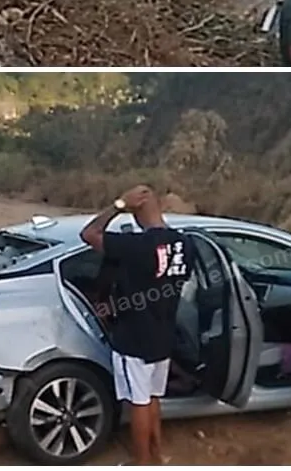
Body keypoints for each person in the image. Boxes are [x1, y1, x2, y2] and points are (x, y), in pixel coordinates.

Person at [80, 185, 191, 466]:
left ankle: (142, 463)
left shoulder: (136, 246)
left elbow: (89, 234)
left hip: (135, 340)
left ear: (136, 210)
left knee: (139, 403)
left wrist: (118, 205)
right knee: (152, 398)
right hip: (163, 337)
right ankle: (156, 455)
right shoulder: (185, 244)